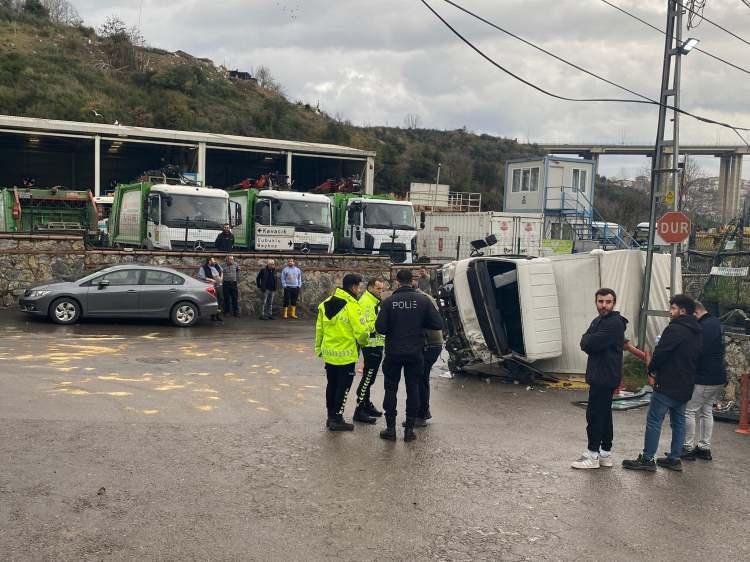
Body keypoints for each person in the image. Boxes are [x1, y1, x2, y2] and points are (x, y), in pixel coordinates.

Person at [623, 294, 702, 473]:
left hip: (667, 384)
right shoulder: (697, 331)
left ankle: (648, 458)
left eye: (673, 308)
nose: (670, 312)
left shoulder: (674, 329)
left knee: (654, 421)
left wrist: (651, 368)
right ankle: (674, 458)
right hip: (685, 385)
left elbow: (661, 353)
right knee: (678, 422)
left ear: (682, 310)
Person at [375, 269, 443, 442]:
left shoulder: (389, 302)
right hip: (415, 352)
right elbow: (437, 323)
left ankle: (390, 429)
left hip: (394, 352)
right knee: (413, 390)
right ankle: (409, 431)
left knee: (391, 389)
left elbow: (380, 328)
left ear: (397, 282)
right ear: (412, 281)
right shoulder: (423, 301)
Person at [571, 288, 628, 470]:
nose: (604, 305)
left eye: (608, 302)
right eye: (601, 301)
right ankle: (605, 453)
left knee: (595, 415)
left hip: (605, 376)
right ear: (596, 302)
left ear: (614, 303)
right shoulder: (598, 321)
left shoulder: (614, 323)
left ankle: (593, 454)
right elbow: (584, 342)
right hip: (599, 374)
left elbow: (591, 342)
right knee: (604, 414)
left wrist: (590, 342)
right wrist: (589, 342)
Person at [315, 274, 370, 431]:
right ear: (353, 287)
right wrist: (364, 343)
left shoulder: (325, 303)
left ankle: (330, 416)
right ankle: (337, 419)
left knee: (331, 385)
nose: (359, 290)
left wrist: (319, 348)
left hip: (329, 354)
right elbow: (361, 332)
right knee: (343, 387)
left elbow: (319, 329)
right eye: (358, 287)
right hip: (346, 355)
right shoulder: (352, 305)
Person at [682, 300, 726, 461]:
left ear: (696, 312)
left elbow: (698, 350)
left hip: (704, 377)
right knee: (706, 410)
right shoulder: (715, 322)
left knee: (689, 410)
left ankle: (686, 447)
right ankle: (704, 447)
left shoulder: (703, 327)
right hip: (718, 377)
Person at [353, 277, 386, 424]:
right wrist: (384, 324)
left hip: (376, 344)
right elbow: (367, 326)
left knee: (369, 377)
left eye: (382, 289)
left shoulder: (373, 301)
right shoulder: (367, 302)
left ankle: (366, 404)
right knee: (368, 378)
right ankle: (359, 410)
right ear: (370, 288)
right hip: (371, 345)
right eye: (378, 289)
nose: (381, 291)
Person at [197, 257, 223, 321]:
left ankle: (218, 315)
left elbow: (221, 271)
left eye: (214, 260)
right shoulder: (203, 267)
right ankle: (213, 316)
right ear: (209, 261)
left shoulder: (216, 266)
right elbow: (201, 276)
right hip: (210, 286)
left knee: (220, 299)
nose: (214, 262)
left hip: (219, 285)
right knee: (213, 300)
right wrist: (210, 279)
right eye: (213, 260)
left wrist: (221, 278)